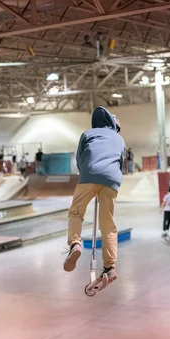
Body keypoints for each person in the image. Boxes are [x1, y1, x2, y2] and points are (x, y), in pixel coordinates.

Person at [63, 106, 125, 287]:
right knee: (108, 226)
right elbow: (121, 162)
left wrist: (89, 177)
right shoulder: (119, 139)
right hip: (112, 179)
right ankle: (110, 267)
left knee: (76, 212)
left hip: (89, 174)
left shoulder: (87, 134)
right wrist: (109, 180)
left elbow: (79, 159)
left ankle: (75, 243)